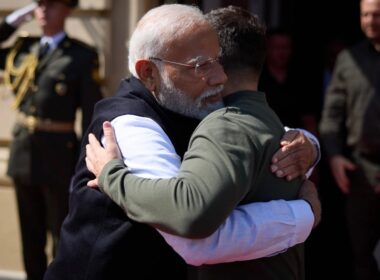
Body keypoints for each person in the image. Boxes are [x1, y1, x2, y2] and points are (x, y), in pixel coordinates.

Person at [45, 4, 320, 280]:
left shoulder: (187, 99)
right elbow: (196, 240)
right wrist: (303, 214)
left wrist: (308, 146)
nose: (220, 77)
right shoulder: (128, 127)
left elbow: (261, 133)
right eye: (201, 66)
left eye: (217, 61)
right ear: (149, 73)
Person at [0, 1, 103, 279]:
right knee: (30, 237)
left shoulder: (81, 56)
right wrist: (9, 24)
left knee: (61, 234)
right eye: (40, 5)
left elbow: (91, 116)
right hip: (23, 155)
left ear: (67, 10)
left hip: (60, 158)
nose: (44, 11)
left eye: (52, 5)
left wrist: (83, 168)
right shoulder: (23, 49)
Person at [319, 0, 380, 279]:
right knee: (361, 255)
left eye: (376, 14)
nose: (370, 21)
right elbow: (331, 116)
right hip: (360, 171)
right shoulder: (348, 60)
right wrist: (334, 156)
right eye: (365, 14)